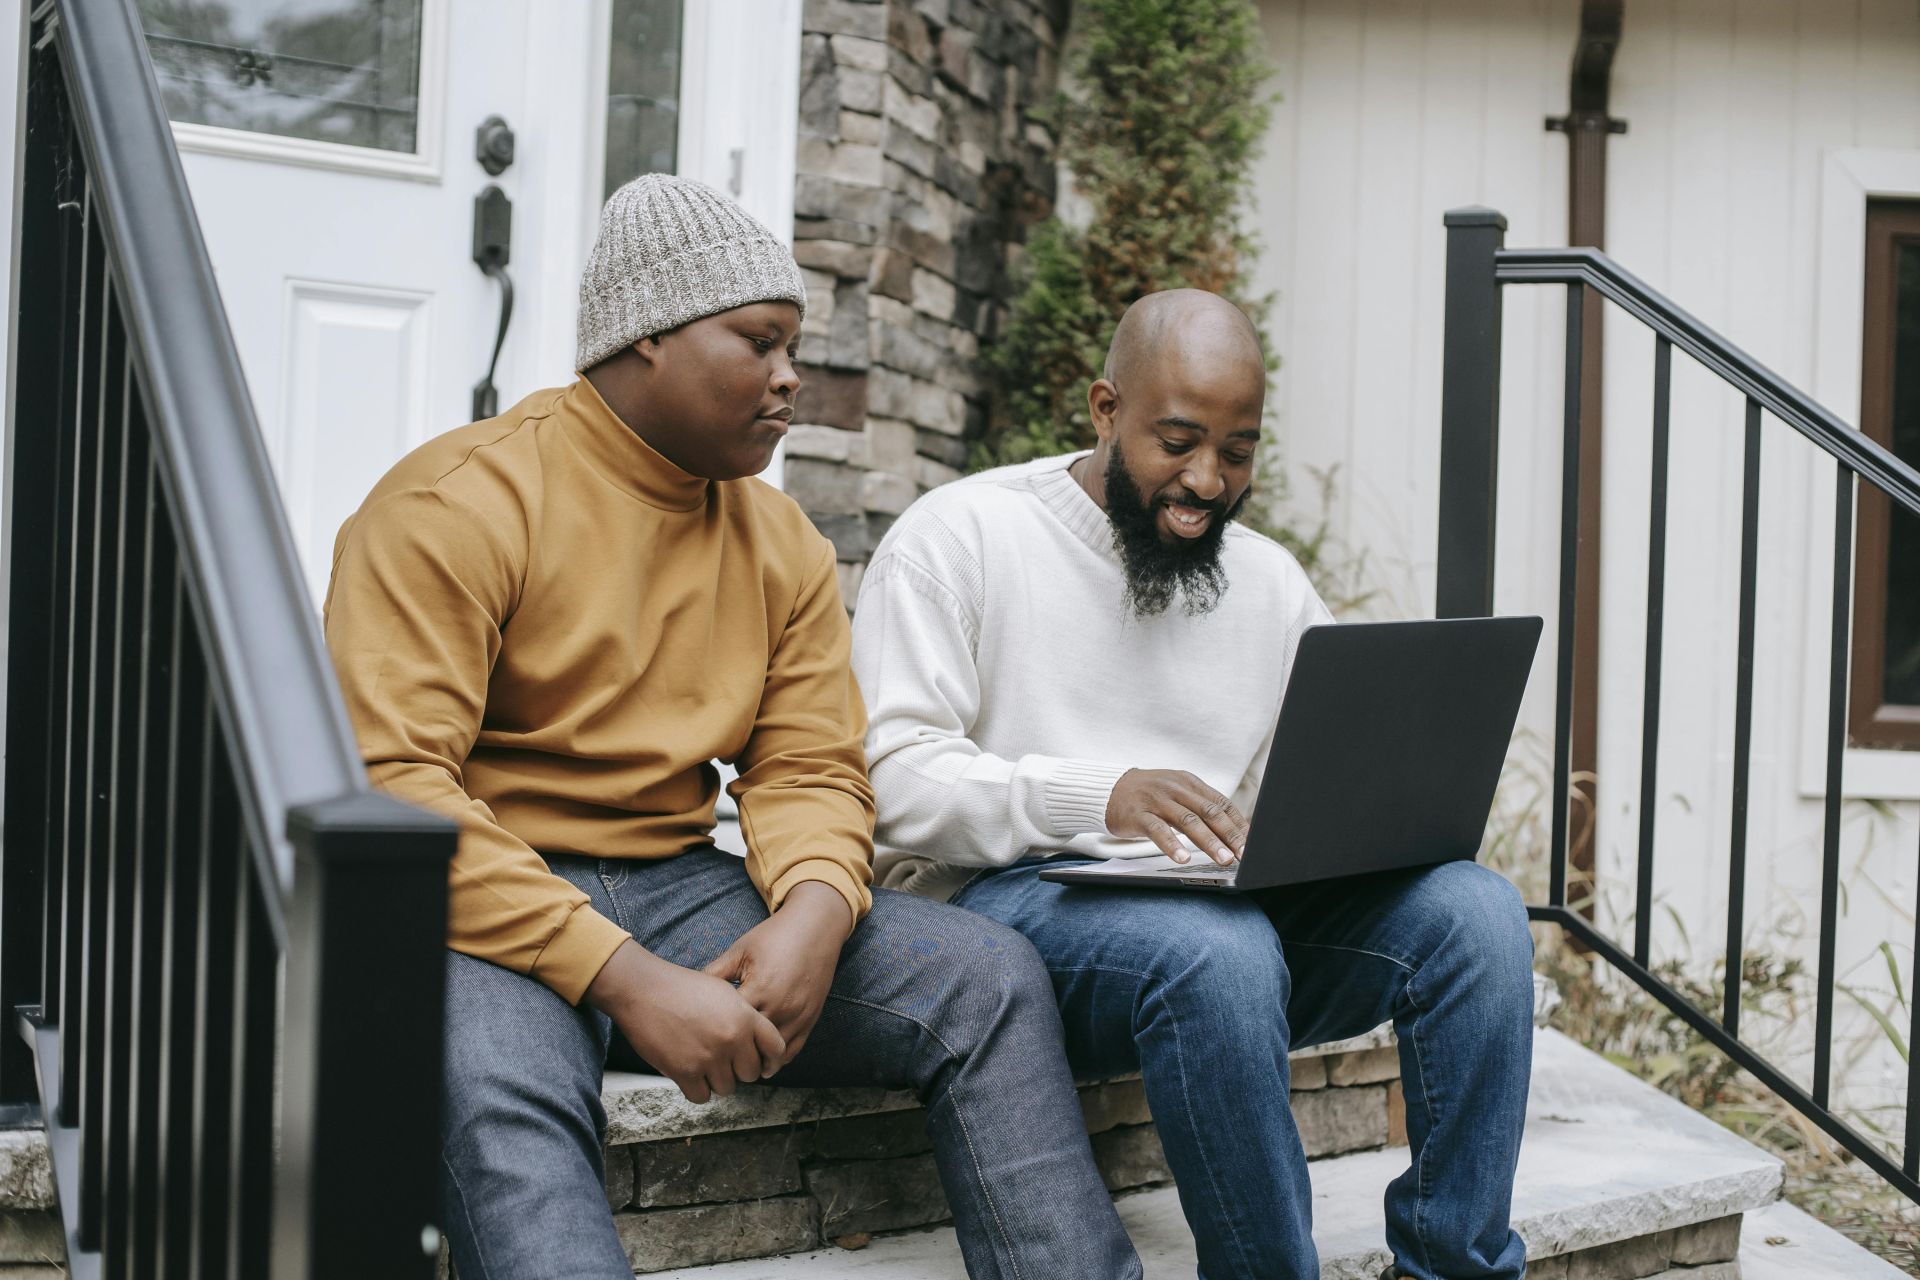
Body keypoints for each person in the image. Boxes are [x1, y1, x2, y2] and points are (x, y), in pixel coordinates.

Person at [323, 173, 1140, 1280]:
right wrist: (623, 978)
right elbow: (394, 784)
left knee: (986, 975)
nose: (791, 375)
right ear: (648, 335)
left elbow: (809, 762)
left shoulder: (781, 541)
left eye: (794, 344)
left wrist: (813, 906)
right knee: (500, 1104)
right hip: (488, 901)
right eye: (759, 341)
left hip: (677, 879)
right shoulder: (456, 503)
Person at [851, 288, 1536, 1280]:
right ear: (1103, 409)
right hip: (1007, 905)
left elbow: (1331, 769)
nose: (1208, 479)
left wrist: (1344, 827)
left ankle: (1454, 1267)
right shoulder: (962, 535)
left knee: (1475, 913)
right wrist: (1100, 792)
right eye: (1177, 440)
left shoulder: (1266, 581)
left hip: (1206, 912)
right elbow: (891, 777)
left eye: (1239, 450)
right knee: (1215, 950)